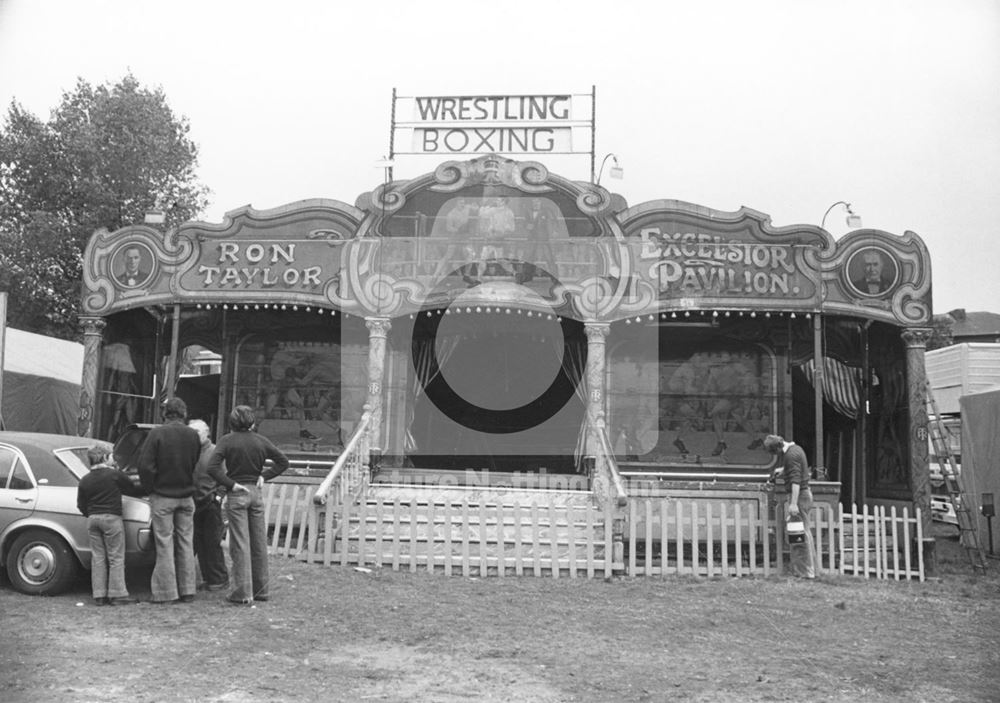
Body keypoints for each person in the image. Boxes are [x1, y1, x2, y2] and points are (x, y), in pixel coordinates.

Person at [207, 405, 290, 605]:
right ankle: (262, 590)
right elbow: (283, 461)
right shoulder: (261, 441)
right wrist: (264, 476)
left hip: (237, 493)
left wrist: (230, 484)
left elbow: (212, 467)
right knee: (259, 542)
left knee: (240, 544)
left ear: (231, 423)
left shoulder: (227, 441)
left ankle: (242, 592)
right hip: (255, 492)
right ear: (252, 423)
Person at [138, 397, 202, 603]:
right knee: (186, 543)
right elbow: (195, 463)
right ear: (184, 413)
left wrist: (151, 488)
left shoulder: (157, 433)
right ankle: (188, 590)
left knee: (165, 544)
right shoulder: (193, 435)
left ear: (165, 413)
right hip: (186, 496)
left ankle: (166, 593)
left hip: (163, 496)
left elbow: (144, 466)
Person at [76, 445, 146, 606]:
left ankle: (99, 594)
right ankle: (118, 594)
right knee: (115, 556)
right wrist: (117, 469)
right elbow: (130, 487)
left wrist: (91, 513)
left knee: (98, 557)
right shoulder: (113, 475)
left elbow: (81, 504)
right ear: (105, 457)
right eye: (112, 456)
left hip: (93, 519)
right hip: (111, 518)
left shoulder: (85, 479)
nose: (114, 459)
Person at [764, 434, 817, 579]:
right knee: (803, 533)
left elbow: (795, 481)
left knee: (798, 535)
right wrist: (782, 470)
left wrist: (793, 503)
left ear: (778, 448)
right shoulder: (796, 449)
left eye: (775, 453)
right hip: (803, 495)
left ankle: (804, 573)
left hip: (799, 497)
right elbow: (795, 469)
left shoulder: (790, 455)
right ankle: (809, 570)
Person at [188, 419, 229, 591]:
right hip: (193, 503)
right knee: (196, 541)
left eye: (198, 432)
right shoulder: (189, 452)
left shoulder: (215, 452)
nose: (195, 435)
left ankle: (218, 579)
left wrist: (218, 497)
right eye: (192, 432)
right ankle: (207, 578)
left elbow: (225, 476)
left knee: (212, 542)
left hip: (210, 502)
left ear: (207, 432)